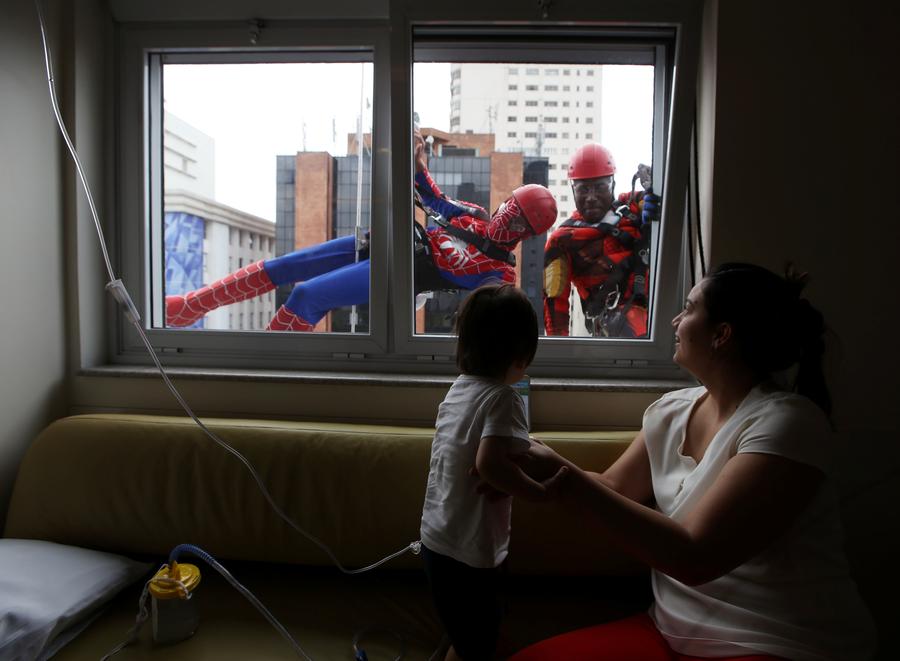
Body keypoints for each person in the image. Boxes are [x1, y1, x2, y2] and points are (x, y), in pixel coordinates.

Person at [508, 263, 877, 661]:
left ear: (722, 335)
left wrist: (562, 480)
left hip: (778, 641)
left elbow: (696, 557)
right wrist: (525, 460)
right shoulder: (671, 411)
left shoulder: (788, 424)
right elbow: (614, 488)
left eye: (688, 308)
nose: (675, 320)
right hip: (672, 630)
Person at [165, 132, 557, 331]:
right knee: (286, 264)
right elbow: (431, 196)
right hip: (385, 242)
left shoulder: (502, 274)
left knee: (306, 294)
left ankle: (266, 362)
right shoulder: (472, 214)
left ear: (529, 234)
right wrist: (416, 158)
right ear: (507, 201)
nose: (511, 220)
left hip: (399, 274)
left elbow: (485, 316)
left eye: (523, 222)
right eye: (512, 208)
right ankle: (190, 307)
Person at [420, 284, 568, 661]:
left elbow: (480, 453)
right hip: (472, 551)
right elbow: (488, 464)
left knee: (465, 631)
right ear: (523, 354)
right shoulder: (505, 397)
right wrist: (540, 492)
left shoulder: (458, 389)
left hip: (436, 540)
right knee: (479, 640)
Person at [543, 143, 659, 338]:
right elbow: (555, 302)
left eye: (599, 187)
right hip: (616, 330)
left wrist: (654, 195)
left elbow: (658, 197)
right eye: (583, 189)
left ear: (612, 184)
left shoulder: (631, 207)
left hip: (658, 315)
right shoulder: (563, 241)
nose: (591, 197)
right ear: (573, 191)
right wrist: (559, 354)